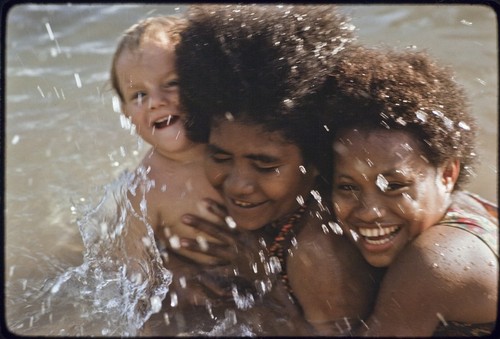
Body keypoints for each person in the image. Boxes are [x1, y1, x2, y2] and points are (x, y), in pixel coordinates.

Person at [172, 4, 383, 336]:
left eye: (265, 165)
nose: (239, 185)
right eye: (220, 157)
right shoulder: (285, 212)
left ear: (317, 160)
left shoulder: (320, 253)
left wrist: (262, 288)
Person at [324, 46, 498, 336]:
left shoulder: (434, 262)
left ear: (447, 174)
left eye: (394, 186)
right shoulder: (464, 208)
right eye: (347, 187)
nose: (369, 211)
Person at [108, 15, 239, 334]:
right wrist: (177, 286)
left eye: (172, 83)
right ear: (126, 113)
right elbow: (132, 280)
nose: (156, 102)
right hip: (201, 296)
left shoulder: (236, 143)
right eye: (139, 95)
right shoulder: (146, 187)